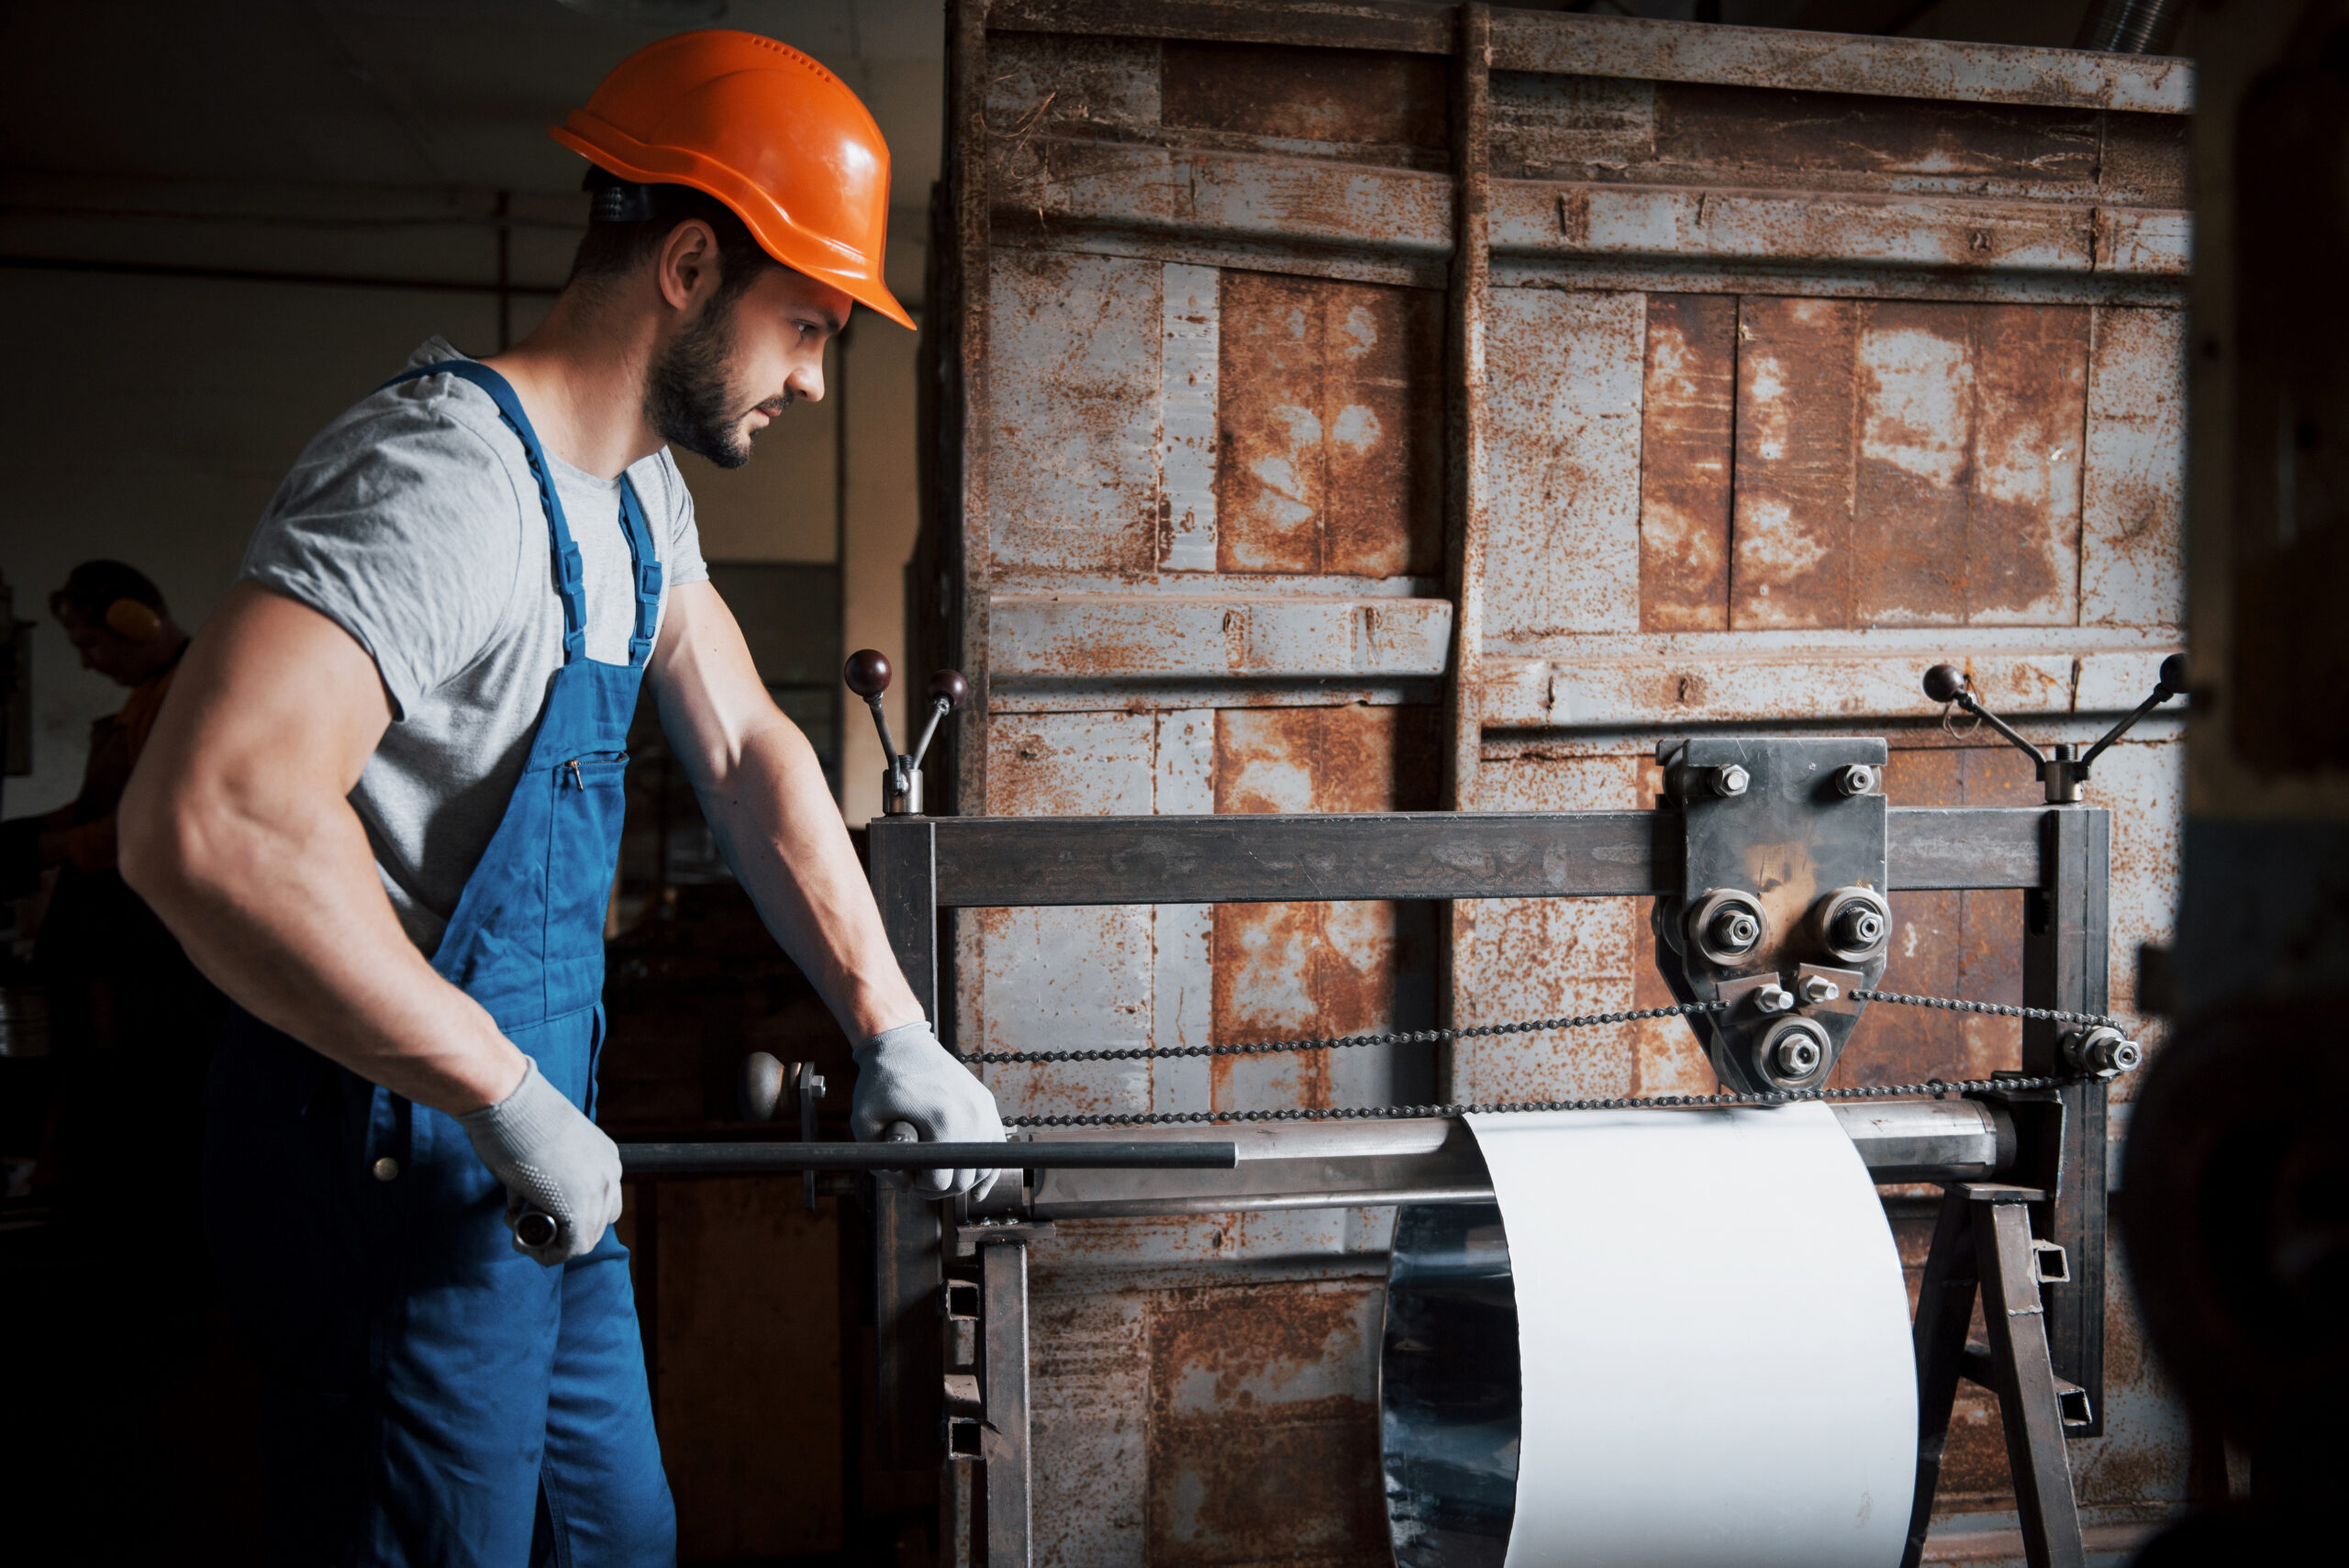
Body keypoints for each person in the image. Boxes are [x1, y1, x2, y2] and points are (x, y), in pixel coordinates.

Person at [118, 30, 1002, 1566]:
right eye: (803, 325)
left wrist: (893, 1028)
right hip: (389, 1152)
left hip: (529, 1149)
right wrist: (503, 1090)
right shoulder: (442, 481)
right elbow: (208, 821)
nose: (808, 374)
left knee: (615, 1533)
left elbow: (745, 751)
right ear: (685, 264)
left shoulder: (636, 497)